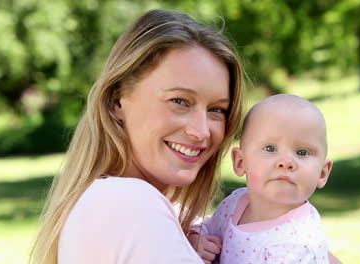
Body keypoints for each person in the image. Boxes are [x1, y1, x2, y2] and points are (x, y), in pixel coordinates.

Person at [31, 9, 244, 264]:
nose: (201, 132)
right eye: (179, 101)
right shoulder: (128, 203)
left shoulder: (152, 213)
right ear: (116, 101)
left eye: (216, 110)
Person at [188, 94, 337, 264]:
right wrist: (196, 239)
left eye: (302, 152)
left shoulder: (296, 248)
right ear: (240, 162)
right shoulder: (236, 202)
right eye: (270, 148)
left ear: (323, 173)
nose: (286, 162)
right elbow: (209, 227)